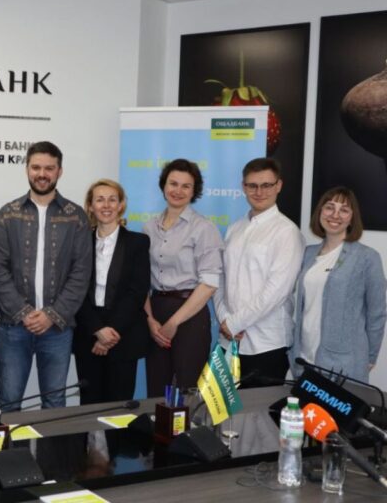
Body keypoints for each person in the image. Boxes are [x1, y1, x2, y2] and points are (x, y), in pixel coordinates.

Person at [0, 141, 92, 410]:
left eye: (49, 168)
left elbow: (81, 273)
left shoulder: (76, 217)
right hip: (14, 326)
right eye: (36, 167)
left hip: (58, 328)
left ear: (59, 171)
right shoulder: (8, 214)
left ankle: (50, 445)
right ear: (27, 169)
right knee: (9, 401)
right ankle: (7, 443)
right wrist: (24, 313)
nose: (42, 174)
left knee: (55, 402)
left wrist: (51, 315)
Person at [215, 158, 304, 386]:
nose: (259, 192)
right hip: (229, 341)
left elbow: (277, 291)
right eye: (252, 185)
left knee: (261, 408)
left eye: (266, 185)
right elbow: (221, 277)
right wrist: (224, 319)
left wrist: (235, 323)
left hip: (267, 344)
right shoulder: (235, 228)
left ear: (278, 186)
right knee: (223, 407)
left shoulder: (287, 232)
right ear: (243, 187)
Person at [143, 159, 223, 396]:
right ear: (164, 185)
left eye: (186, 186)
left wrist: (174, 323)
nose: (178, 191)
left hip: (190, 314)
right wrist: (150, 320)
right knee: (157, 389)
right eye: (173, 183)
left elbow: (209, 284)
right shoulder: (149, 227)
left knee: (187, 389)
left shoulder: (203, 228)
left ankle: (186, 424)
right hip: (155, 312)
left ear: (194, 191)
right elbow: (141, 280)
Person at [291, 187, 386, 382]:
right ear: (320, 212)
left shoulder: (367, 257)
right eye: (329, 207)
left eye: (344, 210)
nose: (335, 215)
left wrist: (370, 357)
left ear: (352, 218)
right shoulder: (307, 253)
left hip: (344, 364)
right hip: (304, 357)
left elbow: (377, 313)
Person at [74, 179, 150, 404]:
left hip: (124, 335)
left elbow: (137, 292)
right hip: (88, 332)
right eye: (100, 200)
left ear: (121, 205)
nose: (106, 205)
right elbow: (75, 289)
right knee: (89, 405)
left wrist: (110, 333)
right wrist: (97, 330)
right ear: (90, 206)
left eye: (112, 200)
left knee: (119, 407)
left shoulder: (138, 242)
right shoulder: (79, 243)